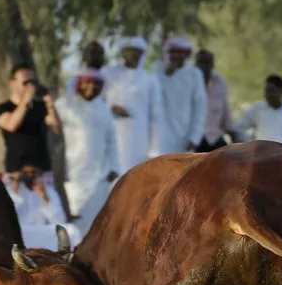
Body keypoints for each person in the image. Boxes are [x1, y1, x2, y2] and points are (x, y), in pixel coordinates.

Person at [55, 68, 119, 233]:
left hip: (99, 174)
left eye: (97, 84)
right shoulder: (64, 106)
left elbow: (112, 140)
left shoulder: (104, 109)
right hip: (72, 174)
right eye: (87, 82)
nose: (92, 87)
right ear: (78, 84)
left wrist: (114, 167)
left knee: (96, 221)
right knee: (74, 221)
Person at [0, 64, 64, 213]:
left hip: (42, 172)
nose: (30, 86)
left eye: (33, 82)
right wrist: (25, 101)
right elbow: (11, 125)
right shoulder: (4, 108)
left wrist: (50, 106)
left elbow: (57, 128)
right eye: (25, 82)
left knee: (51, 214)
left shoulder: (40, 108)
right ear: (12, 84)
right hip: (16, 174)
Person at [102, 36, 162, 173]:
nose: (133, 55)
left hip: (138, 136)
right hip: (113, 133)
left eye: (136, 52)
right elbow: (98, 102)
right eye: (128, 52)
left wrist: (154, 151)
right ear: (123, 53)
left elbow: (156, 116)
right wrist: (111, 109)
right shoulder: (108, 73)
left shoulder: (149, 78)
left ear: (141, 54)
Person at [151, 36, 207, 155]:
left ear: (187, 54)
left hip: (184, 137)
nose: (176, 56)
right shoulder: (156, 70)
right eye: (173, 52)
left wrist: (194, 137)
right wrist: (166, 75)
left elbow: (200, 107)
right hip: (158, 136)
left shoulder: (194, 74)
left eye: (180, 52)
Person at [236, 75, 282, 149]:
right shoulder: (257, 109)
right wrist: (251, 146)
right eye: (266, 90)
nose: (267, 94)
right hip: (263, 156)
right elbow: (240, 128)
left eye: (271, 90)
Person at [194, 50, 235, 152]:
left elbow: (226, 113)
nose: (204, 66)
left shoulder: (219, 82)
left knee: (230, 158)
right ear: (195, 64)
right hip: (195, 138)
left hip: (215, 137)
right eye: (200, 62)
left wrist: (235, 137)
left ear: (212, 64)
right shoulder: (189, 83)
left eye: (207, 62)